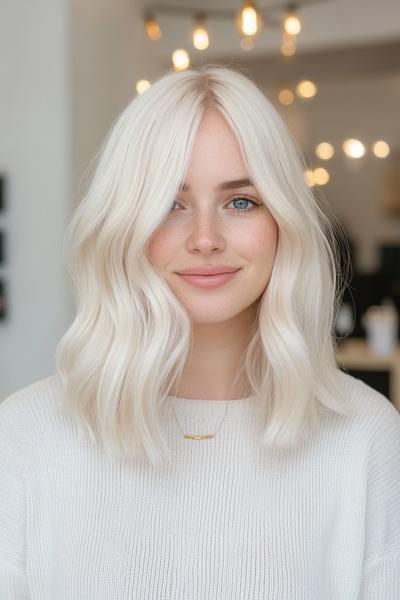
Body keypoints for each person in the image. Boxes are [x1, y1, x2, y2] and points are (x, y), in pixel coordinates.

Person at [1, 63, 399, 599]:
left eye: (241, 201)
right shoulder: (24, 437)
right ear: (124, 224)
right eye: (169, 203)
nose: (205, 238)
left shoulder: (365, 437)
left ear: (282, 221)